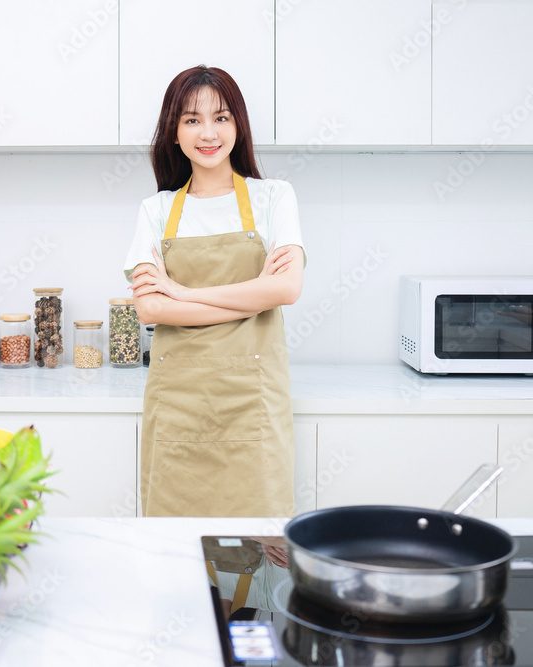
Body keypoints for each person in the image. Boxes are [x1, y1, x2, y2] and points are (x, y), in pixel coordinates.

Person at [123, 65, 305, 517]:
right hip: (178, 405)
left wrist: (180, 295)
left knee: (261, 553)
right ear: (174, 132)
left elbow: (286, 288)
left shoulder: (274, 198)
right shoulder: (156, 210)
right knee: (173, 548)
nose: (208, 132)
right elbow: (149, 309)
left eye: (221, 118)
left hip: (253, 402)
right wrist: (253, 293)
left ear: (238, 126)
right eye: (192, 120)